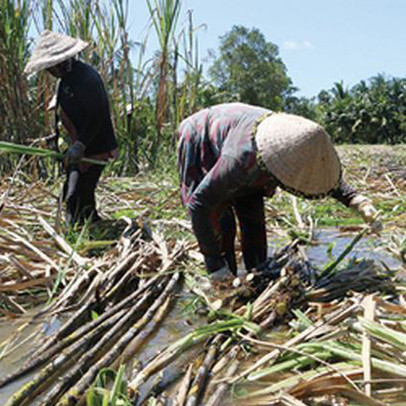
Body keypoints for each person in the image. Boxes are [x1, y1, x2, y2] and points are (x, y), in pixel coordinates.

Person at [177, 103, 382, 281]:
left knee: (254, 223)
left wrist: (357, 200)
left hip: (244, 145)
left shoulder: (298, 143)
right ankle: (223, 280)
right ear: (278, 163)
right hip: (200, 136)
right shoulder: (241, 160)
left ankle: (256, 275)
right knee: (221, 222)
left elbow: (322, 178)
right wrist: (215, 264)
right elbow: (199, 205)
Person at [24, 30, 118, 224]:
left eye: (49, 66)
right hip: (78, 147)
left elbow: (97, 115)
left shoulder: (85, 77)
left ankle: (76, 233)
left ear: (59, 62)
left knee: (75, 195)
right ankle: (89, 224)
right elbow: (66, 115)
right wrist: (55, 139)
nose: (48, 71)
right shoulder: (66, 81)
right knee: (75, 194)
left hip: (94, 146)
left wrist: (80, 146)